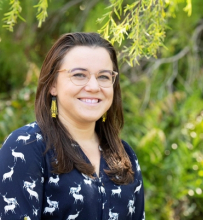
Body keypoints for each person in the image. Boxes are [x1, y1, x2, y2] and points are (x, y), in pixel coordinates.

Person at [0, 32, 145, 220]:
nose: (94, 86)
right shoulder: (27, 146)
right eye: (79, 75)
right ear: (53, 84)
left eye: (103, 77)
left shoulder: (124, 155)